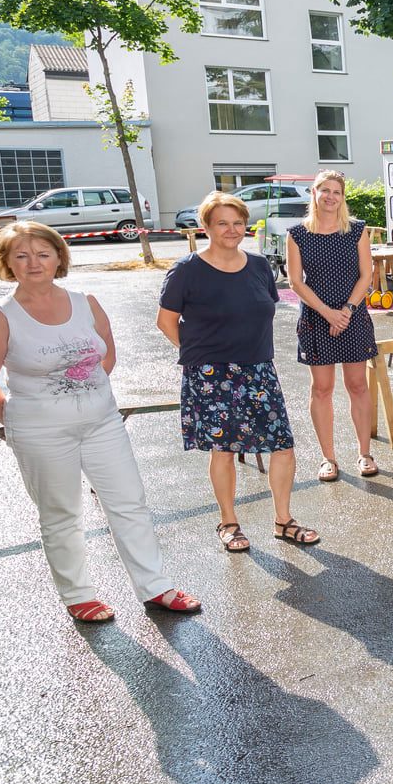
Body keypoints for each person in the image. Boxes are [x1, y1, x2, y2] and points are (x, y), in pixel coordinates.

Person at [0, 221, 197, 622]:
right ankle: (78, 595)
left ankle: (155, 586)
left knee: (129, 503)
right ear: (6, 263)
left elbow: (105, 355)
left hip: (102, 423)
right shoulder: (1, 318)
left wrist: (85, 397)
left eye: (42, 253)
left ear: (59, 257)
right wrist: (21, 422)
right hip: (40, 432)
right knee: (61, 513)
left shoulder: (85, 301)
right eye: (21, 255)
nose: (33, 263)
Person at [158, 191, 318, 550]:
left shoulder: (260, 266)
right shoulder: (187, 270)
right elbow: (166, 321)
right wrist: (199, 354)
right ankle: (229, 523)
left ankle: (283, 520)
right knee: (225, 451)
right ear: (206, 227)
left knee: (282, 446)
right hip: (211, 374)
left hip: (259, 369)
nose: (231, 230)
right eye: (222, 223)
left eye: (237, 223)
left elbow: (260, 310)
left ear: (246, 225)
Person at [286, 169, 378, 480]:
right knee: (322, 388)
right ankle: (328, 457)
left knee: (358, 385)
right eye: (324, 190)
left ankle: (364, 453)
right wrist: (328, 313)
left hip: (352, 316)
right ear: (313, 193)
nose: (330, 196)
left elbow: (366, 275)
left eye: (336, 191)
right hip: (317, 317)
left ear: (342, 197)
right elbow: (296, 282)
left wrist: (347, 311)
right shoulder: (298, 234)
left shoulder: (356, 230)